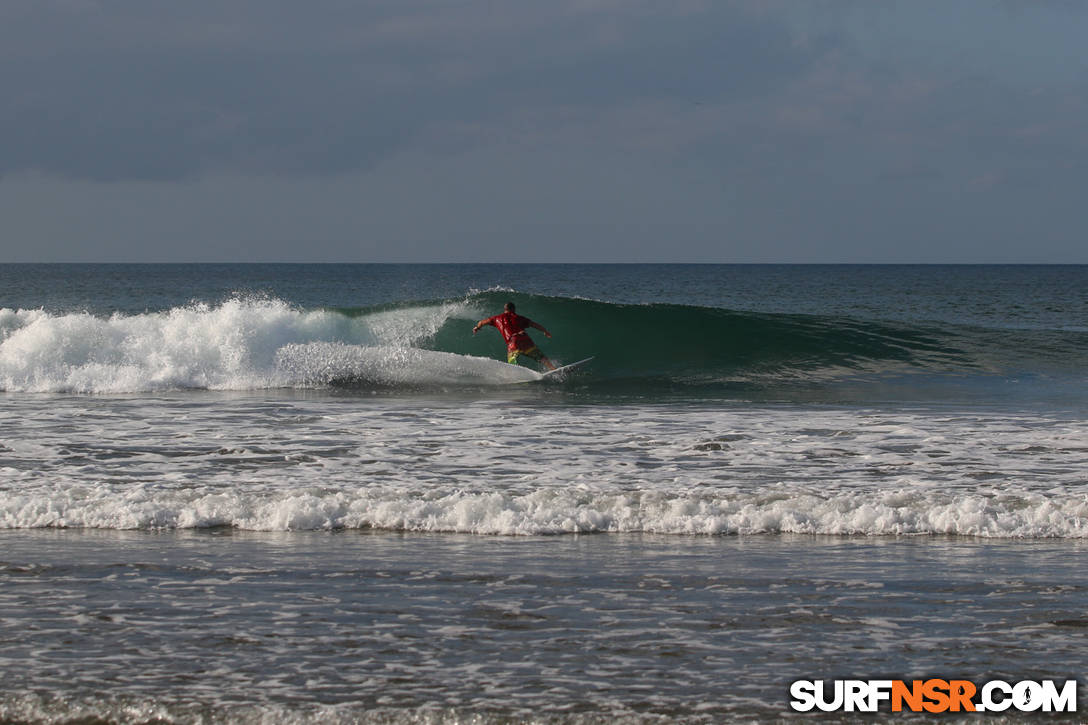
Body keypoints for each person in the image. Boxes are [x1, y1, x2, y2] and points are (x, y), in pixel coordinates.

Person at [473, 301, 556, 371]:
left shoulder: (496, 318)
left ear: (505, 309)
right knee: (540, 357)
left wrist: (477, 327)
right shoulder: (519, 317)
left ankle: (516, 375)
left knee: (512, 362)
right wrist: (545, 331)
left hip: (513, 342)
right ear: (513, 309)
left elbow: (481, 322)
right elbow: (534, 324)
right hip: (524, 338)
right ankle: (553, 369)